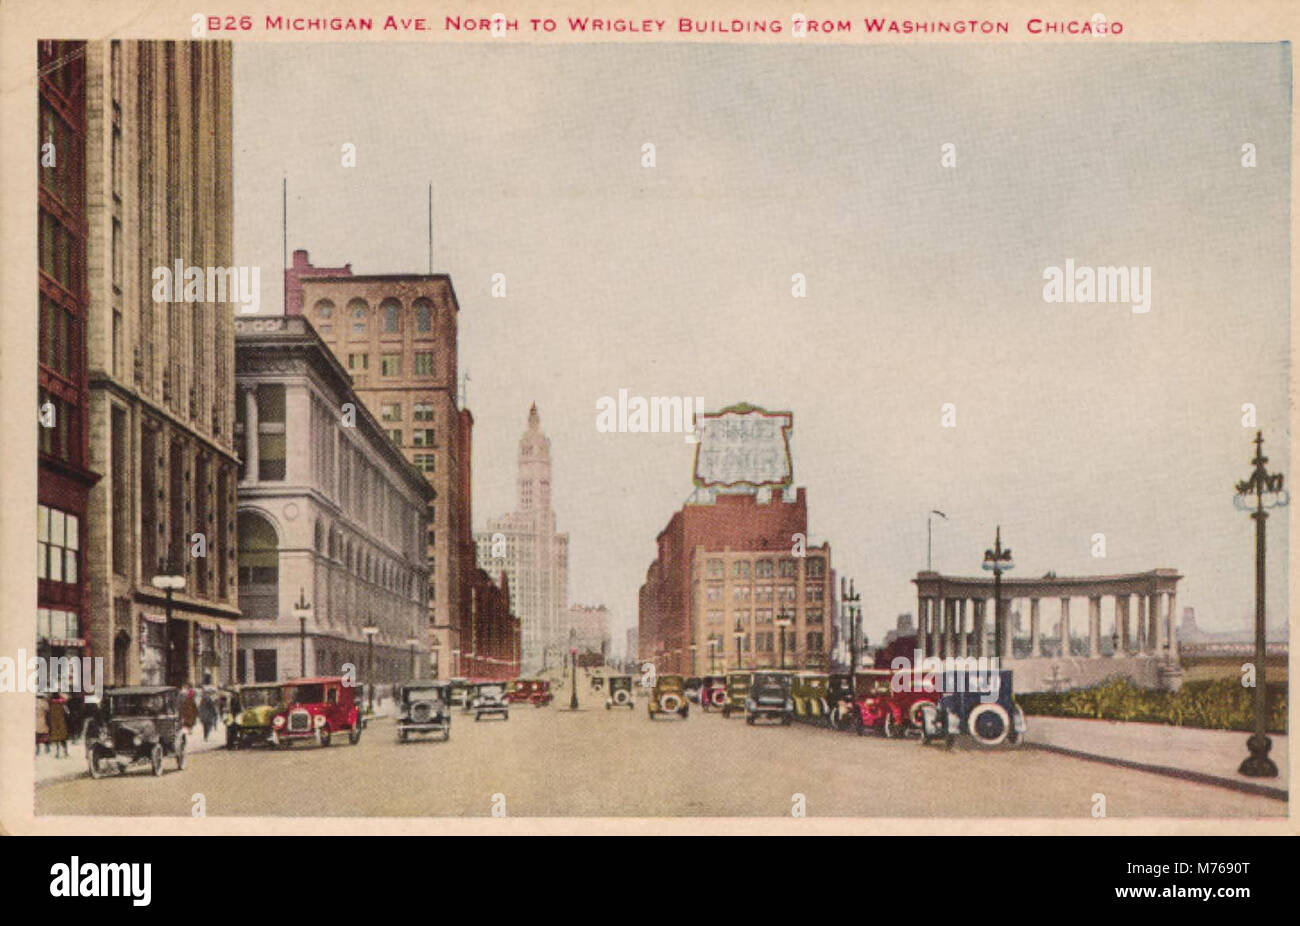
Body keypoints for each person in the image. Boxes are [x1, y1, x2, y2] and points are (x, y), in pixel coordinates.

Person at [48, 694, 69, 758]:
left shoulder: (51, 705)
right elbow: (67, 712)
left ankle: (57, 753)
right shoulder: (63, 704)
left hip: (54, 723)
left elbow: (49, 713)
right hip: (61, 723)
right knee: (63, 738)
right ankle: (65, 752)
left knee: (56, 738)